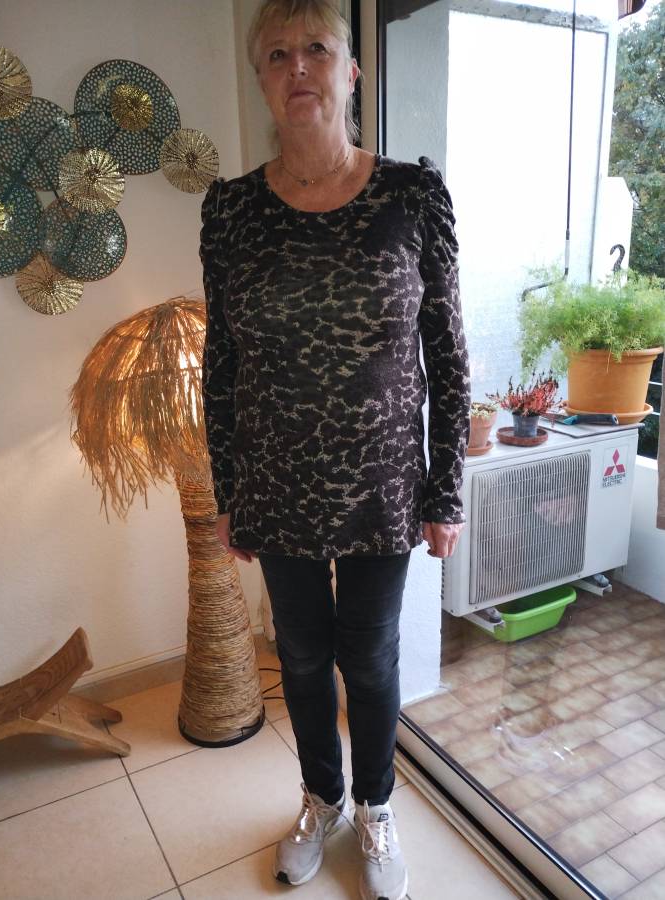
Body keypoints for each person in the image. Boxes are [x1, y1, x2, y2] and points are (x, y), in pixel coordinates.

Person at [199, 1, 470, 897]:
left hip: (382, 486)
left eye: (317, 48)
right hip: (276, 483)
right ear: (261, 80)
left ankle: (377, 806)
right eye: (277, 54)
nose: (298, 67)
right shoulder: (232, 212)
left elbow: (446, 353)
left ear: (350, 72)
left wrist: (445, 491)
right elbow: (223, 363)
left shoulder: (410, 196)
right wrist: (228, 490)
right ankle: (322, 799)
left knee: (372, 658)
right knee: (303, 658)